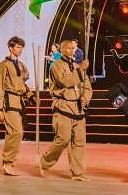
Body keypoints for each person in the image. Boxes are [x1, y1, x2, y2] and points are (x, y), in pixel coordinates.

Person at [38, 38, 93, 181]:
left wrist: (85, 98)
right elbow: (65, 81)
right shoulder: (56, 66)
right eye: (68, 48)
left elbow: (87, 87)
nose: (71, 50)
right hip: (63, 105)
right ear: (61, 49)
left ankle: (77, 172)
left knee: (79, 141)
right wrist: (80, 70)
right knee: (62, 139)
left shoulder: (77, 66)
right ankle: (44, 162)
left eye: (73, 48)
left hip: (78, 108)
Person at [0, 36, 35, 176]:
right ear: (10, 48)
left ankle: (10, 162)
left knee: (16, 133)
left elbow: (22, 84)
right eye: (17, 47)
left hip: (19, 102)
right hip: (8, 100)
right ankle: (8, 162)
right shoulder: (3, 65)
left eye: (21, 47)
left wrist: (31, 96)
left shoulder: (21, 66)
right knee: (16, 132)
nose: (20, 49)